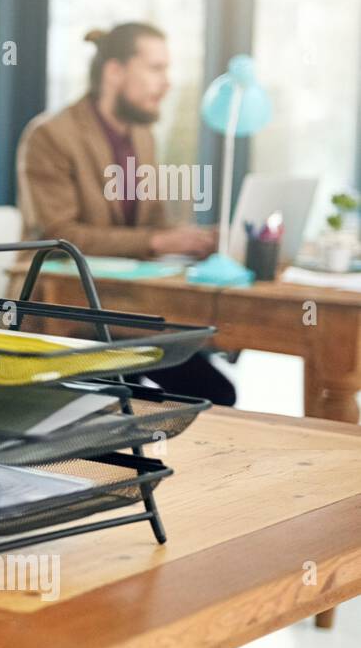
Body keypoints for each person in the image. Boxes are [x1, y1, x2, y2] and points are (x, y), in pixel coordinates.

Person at [12, 22, 235, 406]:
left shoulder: (142, 137)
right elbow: (61, 236)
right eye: (155, 68)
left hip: (129, 312)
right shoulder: (50, 135)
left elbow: (153, 221)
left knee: (215, 393)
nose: (166, 83)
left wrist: (194, 238)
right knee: (201, 393)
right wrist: (157, 241)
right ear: (114, 71)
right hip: (69, 314)